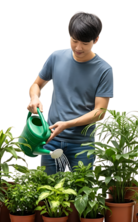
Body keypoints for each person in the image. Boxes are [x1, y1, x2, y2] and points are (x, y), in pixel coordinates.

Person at [25, 10, 115, 175]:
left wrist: (67, 124)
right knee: (48, 191)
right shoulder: (56, 56)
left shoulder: (105, 70)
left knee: (81, 194)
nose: (78, 47)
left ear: (97, 40)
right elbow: (36, 84)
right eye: (74, 40)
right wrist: (35, 98)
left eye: (85, 43)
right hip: (50, 138)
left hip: (82, 144)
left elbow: (100, 112)